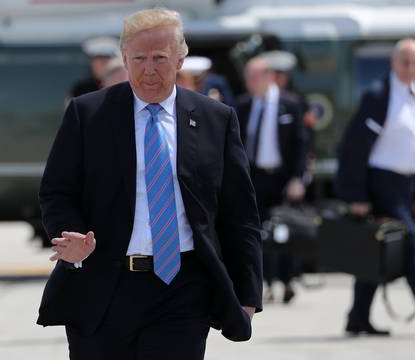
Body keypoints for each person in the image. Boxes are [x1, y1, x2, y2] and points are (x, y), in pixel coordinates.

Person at [37, 8, 263, 359]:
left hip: (183, 287)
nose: (149, 69)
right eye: (139, 58)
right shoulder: (89, 114)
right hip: (104, 285)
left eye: (160, 58)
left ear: (180, 59)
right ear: (125, 60)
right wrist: (72, 237)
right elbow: (57, 191)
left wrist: (248, 293)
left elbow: (240, 213)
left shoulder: (215, 119)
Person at [336, 38, 415, 337]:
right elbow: (354, 147)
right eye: (405, 61)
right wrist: (357, 194)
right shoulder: (379, 96)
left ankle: (358, 317)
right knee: (410, 248)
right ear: (393, 63)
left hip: (406, 187)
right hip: (382, 185)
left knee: (376, 250)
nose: (410, 67)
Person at [236, 56, 306, 304]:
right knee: (256, 232)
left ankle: (287, 280)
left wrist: (298, 178)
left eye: (255, 77)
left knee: (286, 230)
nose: (251, 82)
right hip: (255, 177)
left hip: (283, 177)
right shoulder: (243, 105)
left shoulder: (290, 103)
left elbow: (301, 144)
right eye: (249, 78)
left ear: (269, 77)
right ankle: (263, 282)